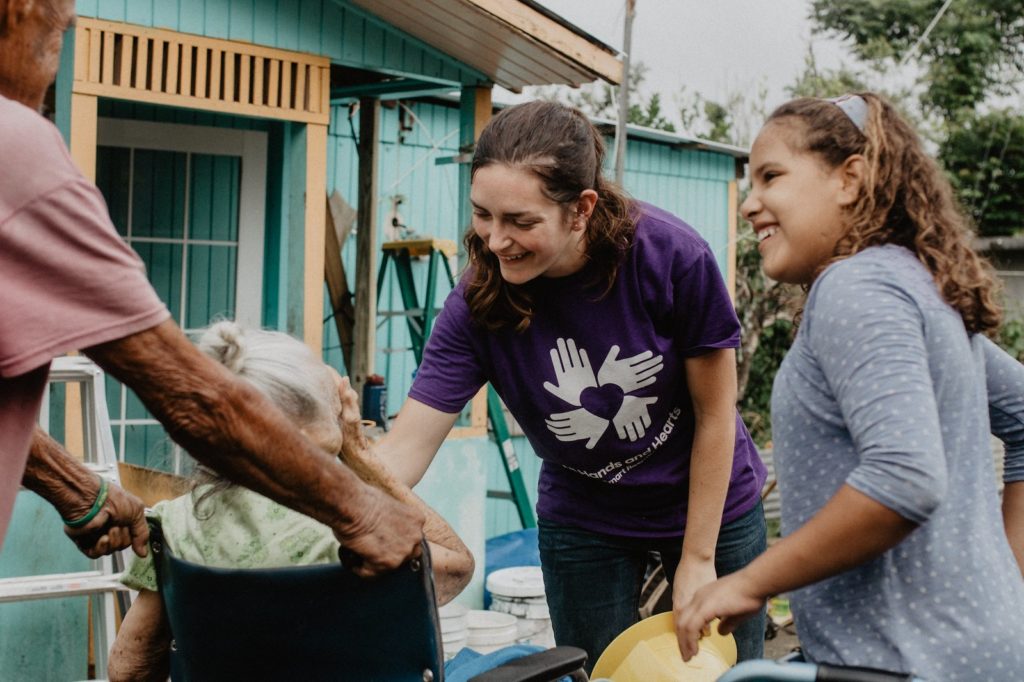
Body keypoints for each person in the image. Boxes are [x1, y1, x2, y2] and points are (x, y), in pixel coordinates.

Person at [0, 0, 423, 574]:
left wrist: (74, 486)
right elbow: (195, 400)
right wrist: (364, 514)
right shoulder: (14, 145)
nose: (68, 29)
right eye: (56, 34)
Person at [378, 99, 769, 668]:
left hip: (710, 504)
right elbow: (405, 449)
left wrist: (698, 558)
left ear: (581, 208)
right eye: (482, 214)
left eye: (521, 221)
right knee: (595, 669)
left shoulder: (671, 257)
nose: (494, 239)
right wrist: (317, 493)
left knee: (724, 673)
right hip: (586, 515)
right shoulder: (476, 303)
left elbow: (716, 414)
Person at [676, 93, 1024, 679]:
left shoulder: (855, 288)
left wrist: (749, 582)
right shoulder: (914, 286)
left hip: (905, 662)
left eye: (771, 177)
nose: (751, 204)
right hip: (973, 653)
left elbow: (904, 478)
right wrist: (1007, 581)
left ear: (850, 178)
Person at [107, 322, 474, 681]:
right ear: (290, 435)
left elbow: (128, 669)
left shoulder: (175, 524)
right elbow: (457, 567)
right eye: (332, 400)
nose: (345, 405)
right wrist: (359, 450)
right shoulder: (359, 529)